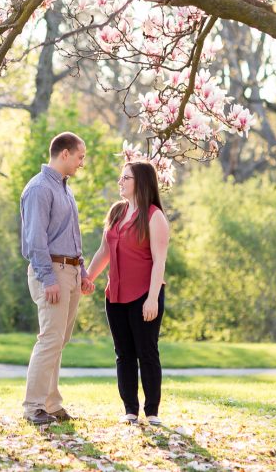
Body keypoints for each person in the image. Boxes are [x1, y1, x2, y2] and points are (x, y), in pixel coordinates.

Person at [84, 160, 170, 426]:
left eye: (126, 178)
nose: (120, 182)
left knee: (147, 352)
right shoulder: (116, 211)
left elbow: (159, 261)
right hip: (115, 296)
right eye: (121, 177)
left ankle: (152, 412)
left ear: (140, 182)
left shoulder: (154, 216)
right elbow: (104, 251)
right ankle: (130, 410)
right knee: (123, 354)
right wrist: (88, 278)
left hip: (145, 295)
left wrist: (153, 298)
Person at [19, 132, 95, 426]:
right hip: (51, 272)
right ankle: (33, 406)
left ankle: (51, 404)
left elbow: (70, 236)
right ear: (65, 153)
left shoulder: (65, 189)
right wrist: (48, 277)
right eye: (80, 157)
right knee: (50, 339)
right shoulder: (39, 189)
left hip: (70, 271)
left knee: (59, 341)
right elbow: (35, 240)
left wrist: (82, 271)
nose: (81, 163)